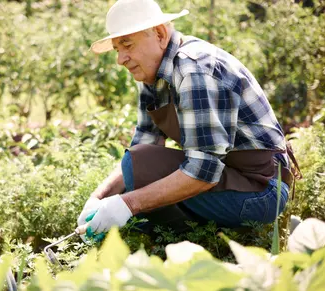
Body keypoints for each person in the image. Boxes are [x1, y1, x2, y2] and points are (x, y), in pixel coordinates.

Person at [77, 0, 301, 238]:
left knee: (137, 190)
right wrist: (98, 199)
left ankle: (189, 241)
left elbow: (204, 171)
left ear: (161, 34)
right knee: (138, 163)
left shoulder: (194, 70)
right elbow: (142, 147)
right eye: (117, 49)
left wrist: (127, 204)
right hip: (230, 176)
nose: (120, 59)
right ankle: (187, 237)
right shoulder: (153, 76)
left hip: (262, 190)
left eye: (127, 45)